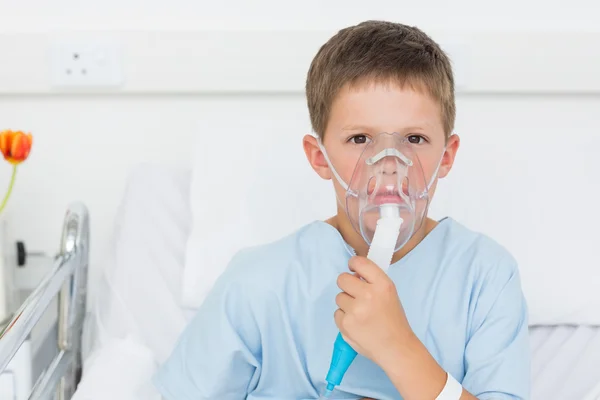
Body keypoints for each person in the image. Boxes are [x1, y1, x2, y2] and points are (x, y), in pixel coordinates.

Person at [152, 20, 530, 400]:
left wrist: (398, 348)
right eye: (359, 138)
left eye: (415, 139)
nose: (389, 163)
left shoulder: (484, 278)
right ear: (319, 158)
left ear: (446, 157)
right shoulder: (258, 285)